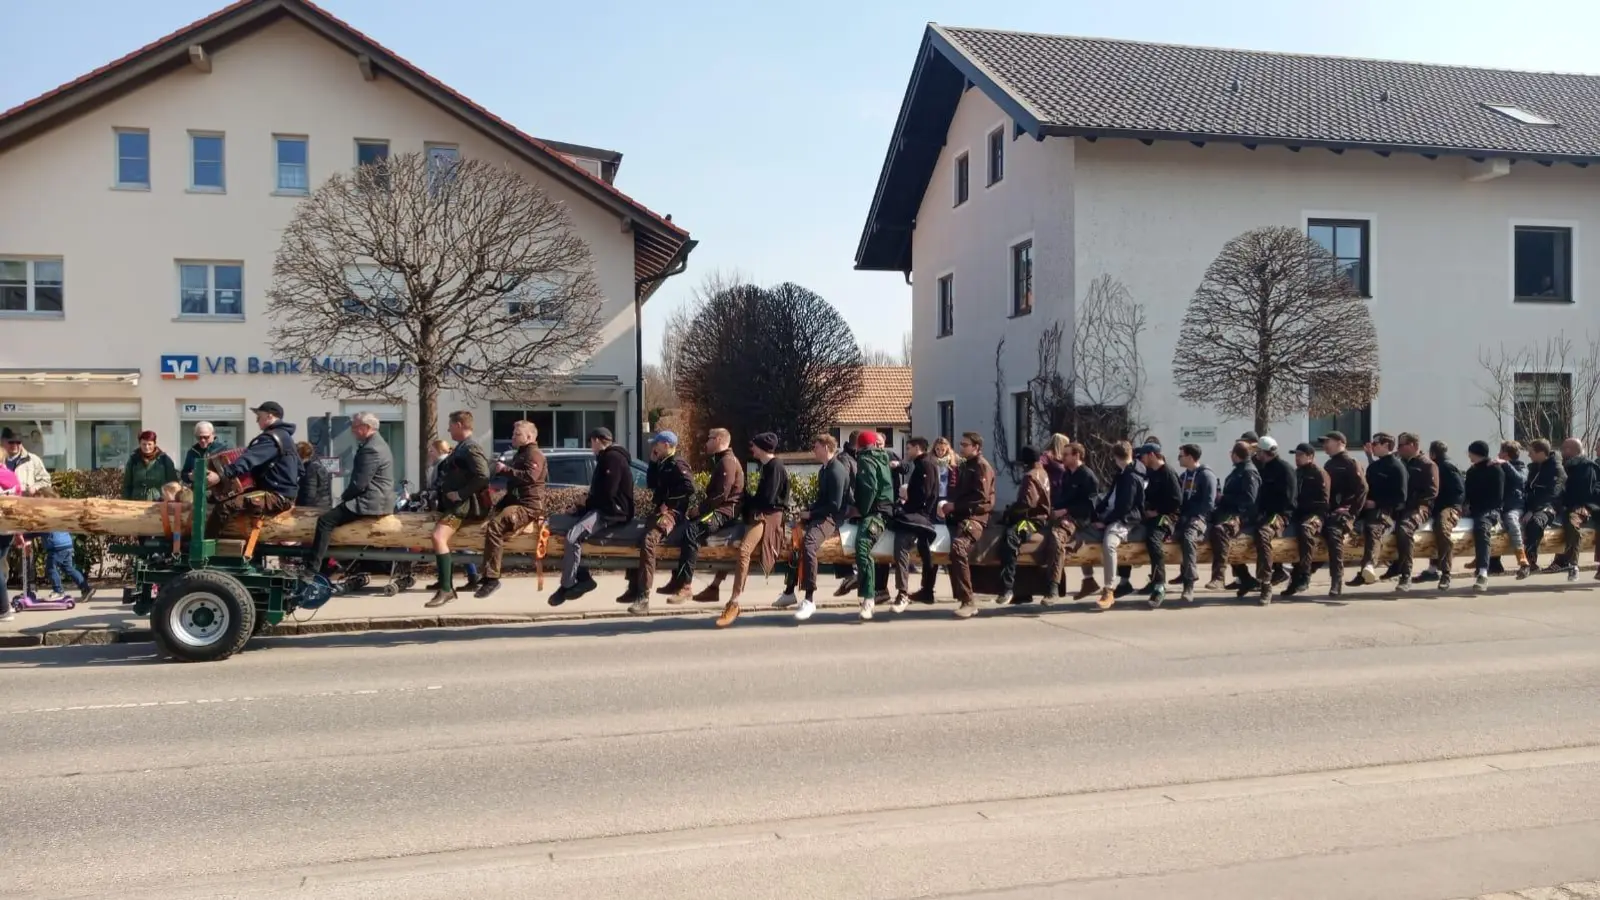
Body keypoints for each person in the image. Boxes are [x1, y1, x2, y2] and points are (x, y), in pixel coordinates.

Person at [711, 432, 791, 628]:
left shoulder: (775, 467)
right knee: (730, 543)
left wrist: (748, 500)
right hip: (761, 514)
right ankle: (714, 586)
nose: (751, 449)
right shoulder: (767, 467)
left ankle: (734, 602)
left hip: (768, 517)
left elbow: (768, 500)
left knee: (744, 550)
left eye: (754, 445)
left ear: (762, 447)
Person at [305, 412, 395, 581]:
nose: (352, 431)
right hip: (376, 499)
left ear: (366, 428)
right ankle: (330, 565)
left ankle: (313, 569)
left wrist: (344, 498)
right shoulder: (377, 444)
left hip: (371, 501)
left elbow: (359, 483)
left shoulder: (371, 449)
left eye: (355, 427)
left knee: (325, 521)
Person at [552, 427, 633, 605]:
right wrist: (582, 508)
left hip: (611, 512)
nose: (591, 446)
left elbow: (608, 493)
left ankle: (568, 585)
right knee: (568, 531)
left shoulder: (612, 458)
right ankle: (583, 576)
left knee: (573, 538)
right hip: (605, 509)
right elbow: (601, 494)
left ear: (597, 440)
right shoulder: (607, 458)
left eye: (591, 442)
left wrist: (585, 505)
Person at [660, 428, 742, 601]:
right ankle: (677, 579)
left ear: (719, 439)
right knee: (684, 527)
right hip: (719, 510)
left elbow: (721, 495)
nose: (706, 442)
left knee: (692, 532)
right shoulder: (724, 460)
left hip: (723, 513)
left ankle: (685, 586)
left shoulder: (727, 462)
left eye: (709, 438)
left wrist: (700, 510)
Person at [424, 411, 491, 608]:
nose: (448, 429)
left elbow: (483, 475)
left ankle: (446, 589)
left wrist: (461, 494)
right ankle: (445, 586)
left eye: (451, 425)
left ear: (460, 425)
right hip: (456, 506)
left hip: (462, 509)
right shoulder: (463, 447)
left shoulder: (470, 448)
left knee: (438, 537)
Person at [473, 420, 546, 600]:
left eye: (517, 434)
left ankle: (492, 578)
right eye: (513, 434)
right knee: (486, 521)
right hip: (516, 502)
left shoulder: (534, 455)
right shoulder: (521, 454)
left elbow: (530, 477)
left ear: (529, 437)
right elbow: (514, 486)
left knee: (495, 527)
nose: (513, 437)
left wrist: (506, 470)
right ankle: (483, 574)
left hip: (527, 507)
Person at [778, 434, 848, 620]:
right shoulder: (824, 470)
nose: (814, 451)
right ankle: (789, 590)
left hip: (831, 519)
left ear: (826, 447)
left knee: (809, 544)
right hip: (821, 514)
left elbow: (835, 504)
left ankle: (809, 599)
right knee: (794, 537)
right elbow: (822, 499)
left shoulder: (836, 470)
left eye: (816, 447)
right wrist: (807, 510)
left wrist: (812, 514)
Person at [624, 431, 695, 614]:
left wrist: (669, 504)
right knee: (637, 537)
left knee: (649, 541)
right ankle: (633, 588)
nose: (653, 447)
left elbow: (689, 488)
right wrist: (653, 463)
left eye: (656, 444)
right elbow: (652, 485)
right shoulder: (663, 464)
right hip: (660, 511)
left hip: (673, 513)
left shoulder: (678, 464)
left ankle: (643, 597)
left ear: (665, 444)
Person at [203, 402, 301, 533]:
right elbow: (301, 470)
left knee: (225, 506)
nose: (256, 421)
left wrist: (222, 475)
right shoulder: (285, 437)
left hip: (276, 496)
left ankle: (204, 548)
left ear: (269, 416)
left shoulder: (272, 438)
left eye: (259, 416)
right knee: (219, 498)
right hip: (282, 494)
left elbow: (249, 459)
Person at [941, 432, 995, 619]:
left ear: (976, 447)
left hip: (975, 519)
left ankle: (968, 600)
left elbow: (982, 499)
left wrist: (955, 506)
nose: (961, 447)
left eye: (965, 445)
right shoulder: (967, 465)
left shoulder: (981, 467)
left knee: (959, 547)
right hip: (960, 516)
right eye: (961, 444)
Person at [1092, 441, 1145, 611]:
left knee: (1109, 543)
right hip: (1112, 514)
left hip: (1125, 519)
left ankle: (1109, 589)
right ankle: (1088, 580)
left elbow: (1124, 508)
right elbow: (1110, 498)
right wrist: (1095, 512)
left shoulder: (1131, 477)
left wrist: (1105, 522)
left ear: (1116, 457)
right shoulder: (1121, 474)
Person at [996, 445, 1051, 607]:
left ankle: (1007, 588)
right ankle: (1024, 591)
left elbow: (1026, 503)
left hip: (1032, 520)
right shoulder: (1043, 472)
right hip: (1040, 517)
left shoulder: (1031, 476)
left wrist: (1009, 514)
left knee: (1010, 538)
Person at [890, 436, 940, 610]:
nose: (906, 452)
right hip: (921, 516)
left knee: (901, 544)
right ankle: (927, 591)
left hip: (919, 517)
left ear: (918, 448)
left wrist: (906, 508)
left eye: (909, 448)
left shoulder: (925, 465)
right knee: (926, 553)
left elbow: (924, 495)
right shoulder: (923, 464)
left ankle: (902, 593)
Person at [849, 431, 895, 620]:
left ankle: (869, 598)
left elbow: (870, 488)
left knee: (863, 545)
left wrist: (861, 510)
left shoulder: (866, 460)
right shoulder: (882, 458)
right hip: (883, 510)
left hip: (876, 514)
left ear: (859, 446)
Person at [1204, 441, 1259, 592]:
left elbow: (1249, 500)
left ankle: (1218, 577)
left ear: (1235, 455)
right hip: (1227, 512)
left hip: (1241, 516)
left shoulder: (1248, 472)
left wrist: (1224, 499)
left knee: (1220, 530)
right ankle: (1246, 578)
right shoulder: (1238, 470)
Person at [1346, 432, 1396, 591]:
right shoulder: (1374, 466)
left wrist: (1376, 503)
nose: (1371, 447)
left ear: (1386, 446)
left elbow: (1401, 497)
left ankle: (1368, 566)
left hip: (1385, 512)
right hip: (1367, 510)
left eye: (1375, 444)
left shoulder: (1396, 467)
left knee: (1373, 529)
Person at [1250, 436, 1297, 603]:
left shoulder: (1285, 469)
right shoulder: (1263, 468)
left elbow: (1289, 500)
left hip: (1279, 515)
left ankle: (1266, 583)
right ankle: (1246, 579)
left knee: (1263, 534)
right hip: (1263, 514)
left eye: (1258, 452)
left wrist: (1277, 515)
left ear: (1265, 452)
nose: (1256, 455)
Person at [1388, 432, 1436, 590]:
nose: (1398, 448)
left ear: (1413, 445)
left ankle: (1405, 574)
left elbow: (1431, 493)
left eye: (1401, 445)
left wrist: (1415, 505)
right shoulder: (1400, 463)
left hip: (1420, 507)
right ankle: (1392, 565)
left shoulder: (1427, 465)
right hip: (1399, 506)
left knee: (1404, 529)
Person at [1137, 443, 1182, 607]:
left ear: (1152, 455)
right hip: (1152, 513)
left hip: (1168, 516)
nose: (1141, 459)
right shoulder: (1152, 473)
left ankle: (1159, 585)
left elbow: (1177, 501)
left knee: (1153, 538)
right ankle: (1125, 582)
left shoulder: (1168, 473)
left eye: (1143, 456)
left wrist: (1157, 512)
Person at [1283, 442, 1330, 598]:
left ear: (1310, 456)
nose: (1297, 458)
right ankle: (1286, 575)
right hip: (1299, 514)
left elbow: (1324, 501)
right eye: (1296, 455)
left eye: (1300, 455)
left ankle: (1305, 574)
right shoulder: (1297, 473)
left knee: (1305, 530)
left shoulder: (1319, 473)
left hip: (1316, 514)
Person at [1419, 440, 1465, 588]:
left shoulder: (1446, 467)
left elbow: (1459, 490)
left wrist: (1455, 509)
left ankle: (1446, 572)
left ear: (1432, 453)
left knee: (1442, 528)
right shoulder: (1434, 466)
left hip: (1448, 507)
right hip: (1435, 506)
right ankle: (1432, 569)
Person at [1175, 444, 1217, 603]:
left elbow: (1209, 504)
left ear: (1190, 457)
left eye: (1181, 456)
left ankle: (1189, 583)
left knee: (1188, 537)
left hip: (1201, 518)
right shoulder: (1184, 476)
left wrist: (1194, 516)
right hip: (1185, 517)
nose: (1178, 458)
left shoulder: (1206, 476)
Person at [1464, 440, 1505, 592]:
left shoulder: (1495, 470)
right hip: (1474, 510)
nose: (1468, 456)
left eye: (1470, 452)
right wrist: (1465, 505)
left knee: (1481, 528)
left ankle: (1483, 572)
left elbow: (1498, 497)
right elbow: (1467, 493)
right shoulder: (1472, 471)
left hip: (1490, 510)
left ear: (1476, 453)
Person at [1557, 438, 1600, 582]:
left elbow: (1584, 492)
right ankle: (1564, 561)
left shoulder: (1586, 466)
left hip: (1583, 506)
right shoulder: (1563, 465)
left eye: (1564, 449)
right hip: (1568, 505)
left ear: (1572, 450)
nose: (1561, 452)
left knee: (1572, 522)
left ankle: (1573, 565)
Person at [1522, 438, 1565, 574]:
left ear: (1541, 452)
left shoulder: (1556, 470)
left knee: (1535, 522)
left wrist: (1533, 511)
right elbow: (1529, 488)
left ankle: (1531, 561)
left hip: (1549, 507)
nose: (1528, 455)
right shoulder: (1535, 467)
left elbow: (1552, 495)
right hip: (1530, 505)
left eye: (1531, 452)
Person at [1493, 441, 1531, 579]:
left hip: (1515, 507)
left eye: (1501, 451)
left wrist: (1505, 464)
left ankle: (1522, 559)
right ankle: (1490, 561)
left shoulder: (1522, 468)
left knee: (1512, 522)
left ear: (1506, 454)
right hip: (1498, 507)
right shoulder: (1499, 466)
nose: (1498, 454)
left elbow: (1520, 480)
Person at [121, 431, 178, 501]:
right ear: (140, 444)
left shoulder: (164, 460)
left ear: (154, 444)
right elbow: (127, 485)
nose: (146, 447)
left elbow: (173, 485)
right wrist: (125, 502)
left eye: (149, 444)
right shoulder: (133, 460)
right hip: (136, 501)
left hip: (158, 502)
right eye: (144, 444)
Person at [40, 529, 93, 601]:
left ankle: (58, 591)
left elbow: (36, 530)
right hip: (67, 544)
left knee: (51, 568)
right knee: (68, 568)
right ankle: (86, 589)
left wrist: (23, 535)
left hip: (57, 546)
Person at [2, 428, 51, 495]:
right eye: (11, 442)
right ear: (4, 442)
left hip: (27, 502)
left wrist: (35, 488)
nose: (15, 445)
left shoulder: (33, 460)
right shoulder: (1, 460)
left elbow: (46, 481)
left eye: (18, 442)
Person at [295, 441, 332, 509]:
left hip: (313, 507)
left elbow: (309, 493)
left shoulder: (310, 468)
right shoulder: (317, 464)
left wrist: (301, 509)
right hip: (322, 504)